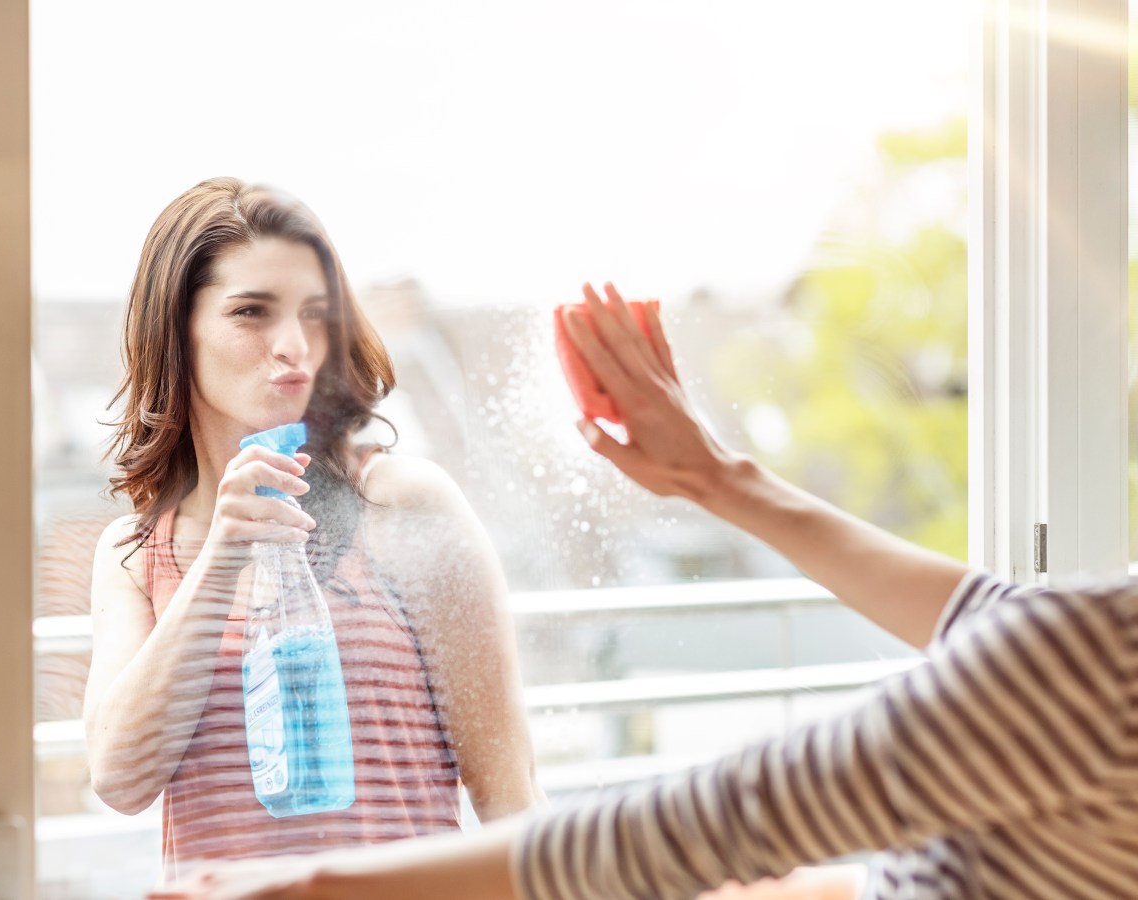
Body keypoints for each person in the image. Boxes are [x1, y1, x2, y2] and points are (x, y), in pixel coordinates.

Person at [152, 282, 1138, 899]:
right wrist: (717, 479)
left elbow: (696, 829)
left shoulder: (1088, 666)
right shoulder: (1095, 651)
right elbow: (1008, 627)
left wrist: (310, 887)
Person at [83, 178, 542, 883]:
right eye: (251, 312)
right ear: (176, 330)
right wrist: (222, 558)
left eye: (316, 314)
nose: (293, 345)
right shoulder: (133, 553)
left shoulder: (403, 506)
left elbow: (510, 799)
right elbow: (120, 780)